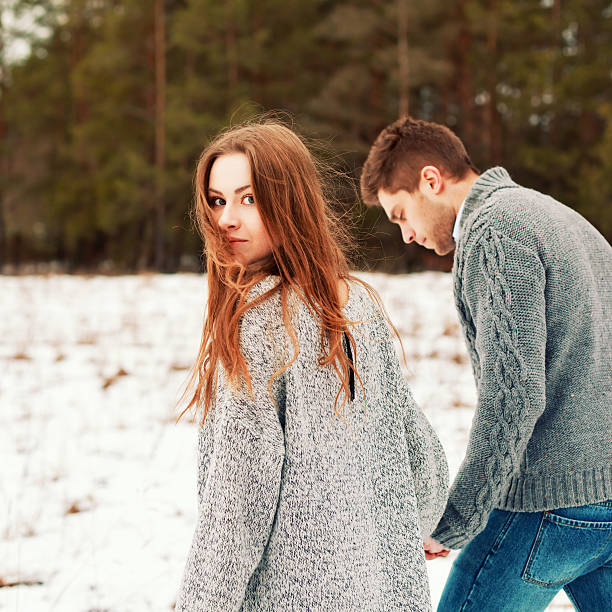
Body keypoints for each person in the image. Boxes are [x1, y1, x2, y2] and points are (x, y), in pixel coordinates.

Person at [175, 121, 449, 611]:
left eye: (248, 198)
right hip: (383, 593)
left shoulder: (259, 322)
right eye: (217, 201)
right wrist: (427, 522)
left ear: (289, 200)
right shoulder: (356, 303)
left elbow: (236, 504)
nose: (227, 219)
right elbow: (416, 444)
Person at [360, 115, 612, 611]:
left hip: (549, 500)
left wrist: (458, 518)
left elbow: (513, 396)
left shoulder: (494, 231)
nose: (407, 235)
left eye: (401, 214)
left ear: (431, 181)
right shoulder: (558, 217)